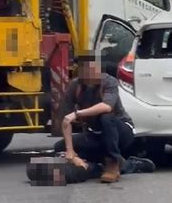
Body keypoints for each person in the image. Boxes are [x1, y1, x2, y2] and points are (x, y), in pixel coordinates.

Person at [55, 51, 136, 183]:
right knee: (60, 147)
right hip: (97, 135)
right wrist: (71, 152)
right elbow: (66, 120)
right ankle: (119, 165)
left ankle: (113, 162)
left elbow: (107, 107)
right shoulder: (75, 86)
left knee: (105, 117)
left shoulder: (109, 82)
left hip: (121, 132)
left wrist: (77, 113)